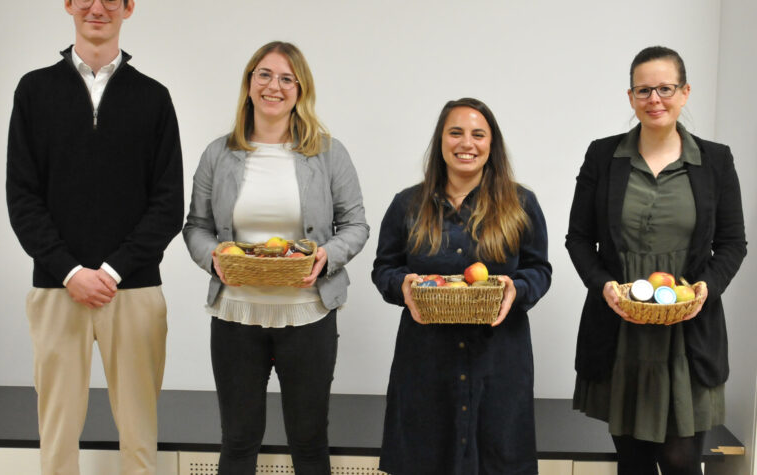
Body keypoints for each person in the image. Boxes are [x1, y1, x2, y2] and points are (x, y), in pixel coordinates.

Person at [6, 0, 184, 475]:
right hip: (57, 286)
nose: (96, 7)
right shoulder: (34, 91)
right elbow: (22, 198)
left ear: (128, 7)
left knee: (139, 438)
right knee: (57, 438)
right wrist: (69, 270)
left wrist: (110, 271)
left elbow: (167, 203)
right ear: (68, 3)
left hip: (134, 289)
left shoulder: (154, 98)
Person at [183, 41, 369, 474]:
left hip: (309, 315)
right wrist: (215, 259)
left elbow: (356, 225)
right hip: (236, 315)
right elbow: (196, 226)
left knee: (308, 442)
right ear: (249, 84)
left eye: (288, 78)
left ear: (300, 90)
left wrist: (328, 256)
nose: (274, 86)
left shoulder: (327, 152)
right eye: (264, 74)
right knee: (238, 441)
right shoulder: (218, 153)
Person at [565, 46, 747, 474]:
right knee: (633, 462)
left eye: (665, 88)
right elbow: (579, 239)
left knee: (682, 460)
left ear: (685, 93)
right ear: (630, 97)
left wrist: (707, 287)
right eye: (644, 90)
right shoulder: (602, 156)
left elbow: (733, 242)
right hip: (620, 331)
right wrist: (604, 285)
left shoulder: (715, 160)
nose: (655, 99)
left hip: (688, 334)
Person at [371, 98, 552, 475]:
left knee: (497, 462)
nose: (466, 143)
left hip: (499, 363)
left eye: (477, 134)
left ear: (491, 145)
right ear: (441, 141)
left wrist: (517, 289)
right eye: (455, 132)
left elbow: (539, 270)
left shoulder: (521, 204)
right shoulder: (407, 204)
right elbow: (385, 268)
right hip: (425, 365)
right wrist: (401, 285)